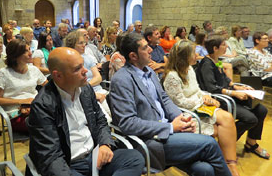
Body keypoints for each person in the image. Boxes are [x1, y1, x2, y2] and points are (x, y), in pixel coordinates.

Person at [110, 32, 232, 175]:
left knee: (205, 170)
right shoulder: (122, 79)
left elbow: (164, 99)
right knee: (209, 144)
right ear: (133, 56)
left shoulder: (148, 71)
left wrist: (182, 118)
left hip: (169, 130)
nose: (150, 50)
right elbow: (128, 123)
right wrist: (169, 127)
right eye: (145, 48)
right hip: (152, 140)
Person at [27, 47, 144, 176]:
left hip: (94, 157)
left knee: (134, 159)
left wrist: (105, 144)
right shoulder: (43, 105)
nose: (85, 71)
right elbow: (50, 157)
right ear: (58, 75)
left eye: (83, 65)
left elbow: (100, 120)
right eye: (78, 69)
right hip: (67, 164)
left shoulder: (85, 89)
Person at [163, 40, 240, 176]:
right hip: (187, 112)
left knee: (227, 119)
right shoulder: (172, 76)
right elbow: (179, 102)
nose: (197, 55)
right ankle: (224, 163)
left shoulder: (193, 68)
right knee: (219, 129)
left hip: (199, 106)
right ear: (184, 56)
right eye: (193, 53)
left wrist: (206, 97)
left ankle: (230, 164)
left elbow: (199, 89)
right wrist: (203, 100)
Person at [196, 35, 269, 160]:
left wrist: (236, 87)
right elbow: (211, 88)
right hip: (219, 100)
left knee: (262, 109)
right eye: (224, 44)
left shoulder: (217, 60)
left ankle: (251, 143)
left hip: (227, 94)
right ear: (215, 48)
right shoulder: (206, 64)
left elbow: (224, 79)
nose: (227, 47)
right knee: (250, 119)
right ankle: (225, 145)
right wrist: (234, 93)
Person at [0, 39, 47, 133]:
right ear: (15, 55)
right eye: (26, 51)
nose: (30, 53)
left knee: (55, 119)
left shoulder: (33, 70)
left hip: (35, 107)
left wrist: (36, 103)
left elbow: (48, 88)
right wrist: (23, 101)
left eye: (30, 50)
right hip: (16, 112)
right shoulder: (4, 73)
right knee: (45, 124)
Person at [64, 31, 111, 121]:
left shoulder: (88, 57)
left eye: (84, 43)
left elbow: (98, 78)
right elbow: (74, 86)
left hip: (98, 90)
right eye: (80, 43)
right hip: (83, 95)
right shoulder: (69, 61)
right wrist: (90, 92)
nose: (84, 45)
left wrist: (86, 86)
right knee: (106, 120)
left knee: (116, 113)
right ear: (72, 45)